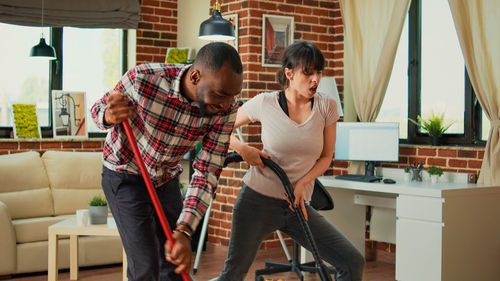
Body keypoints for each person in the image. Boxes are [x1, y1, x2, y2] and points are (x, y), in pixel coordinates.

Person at [212, 41, 365, 281]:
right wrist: (243, 149)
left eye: (319, 72)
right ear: (289, 73)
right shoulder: (265, 102)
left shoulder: (327, 106)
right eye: (308, 72)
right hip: (256, 202)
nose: (316, 79)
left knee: (352, 261)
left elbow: (326, 157)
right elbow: (218, 128)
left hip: (297, 206)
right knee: (232, 276)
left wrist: (304, 183)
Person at [90, 42, 243, 281]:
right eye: (221, 94)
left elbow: (207, 171)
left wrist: (184, 230)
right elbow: (99, 108)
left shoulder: (226, 109)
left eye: (232, 97)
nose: (226, 104)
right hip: (124, 173)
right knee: (146, 267)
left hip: (165, 176)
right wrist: (109, 115)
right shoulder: (142, 79)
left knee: (175, 264)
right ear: (195, 76)